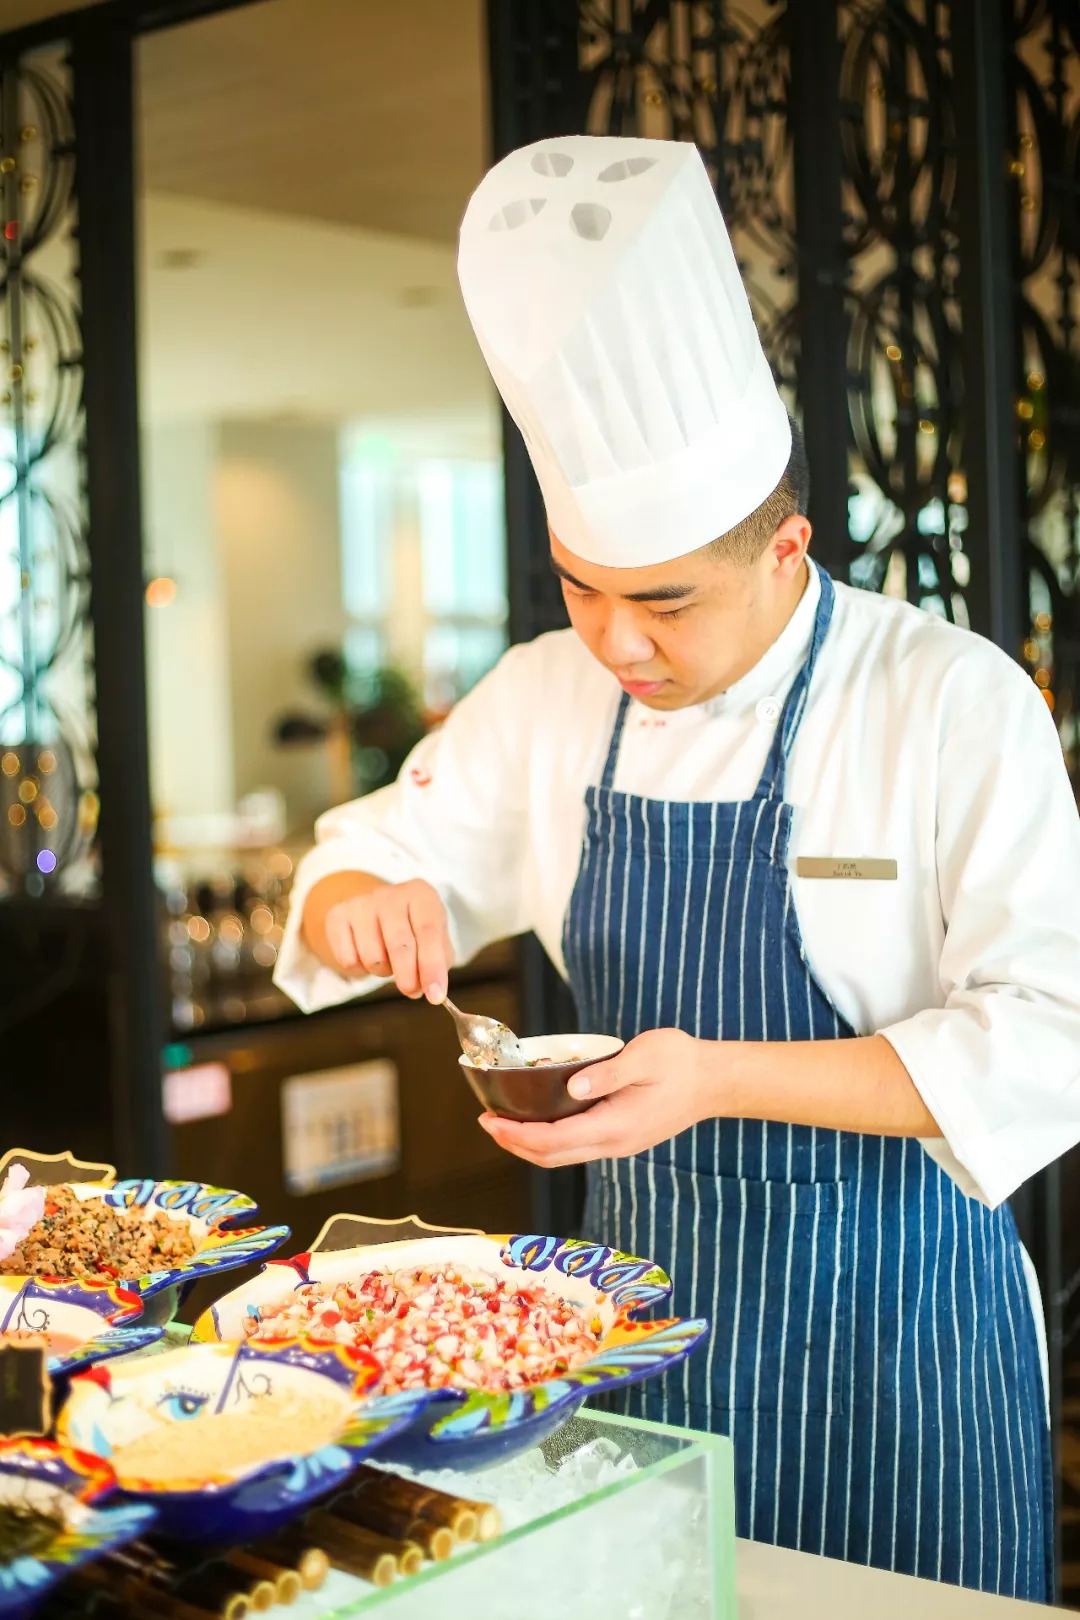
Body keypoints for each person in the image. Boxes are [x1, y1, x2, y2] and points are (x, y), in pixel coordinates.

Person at [276, 136, 1080, 1600]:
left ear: (787, 551)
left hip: (903, 1340)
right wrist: (360, 904)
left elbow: (1046, 1038)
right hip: (638, 1324)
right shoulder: (545, 694)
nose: (618, 643)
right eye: (580, 587)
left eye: (663, 602)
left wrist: (714, 1075)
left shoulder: (951, 701)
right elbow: (362, 862)